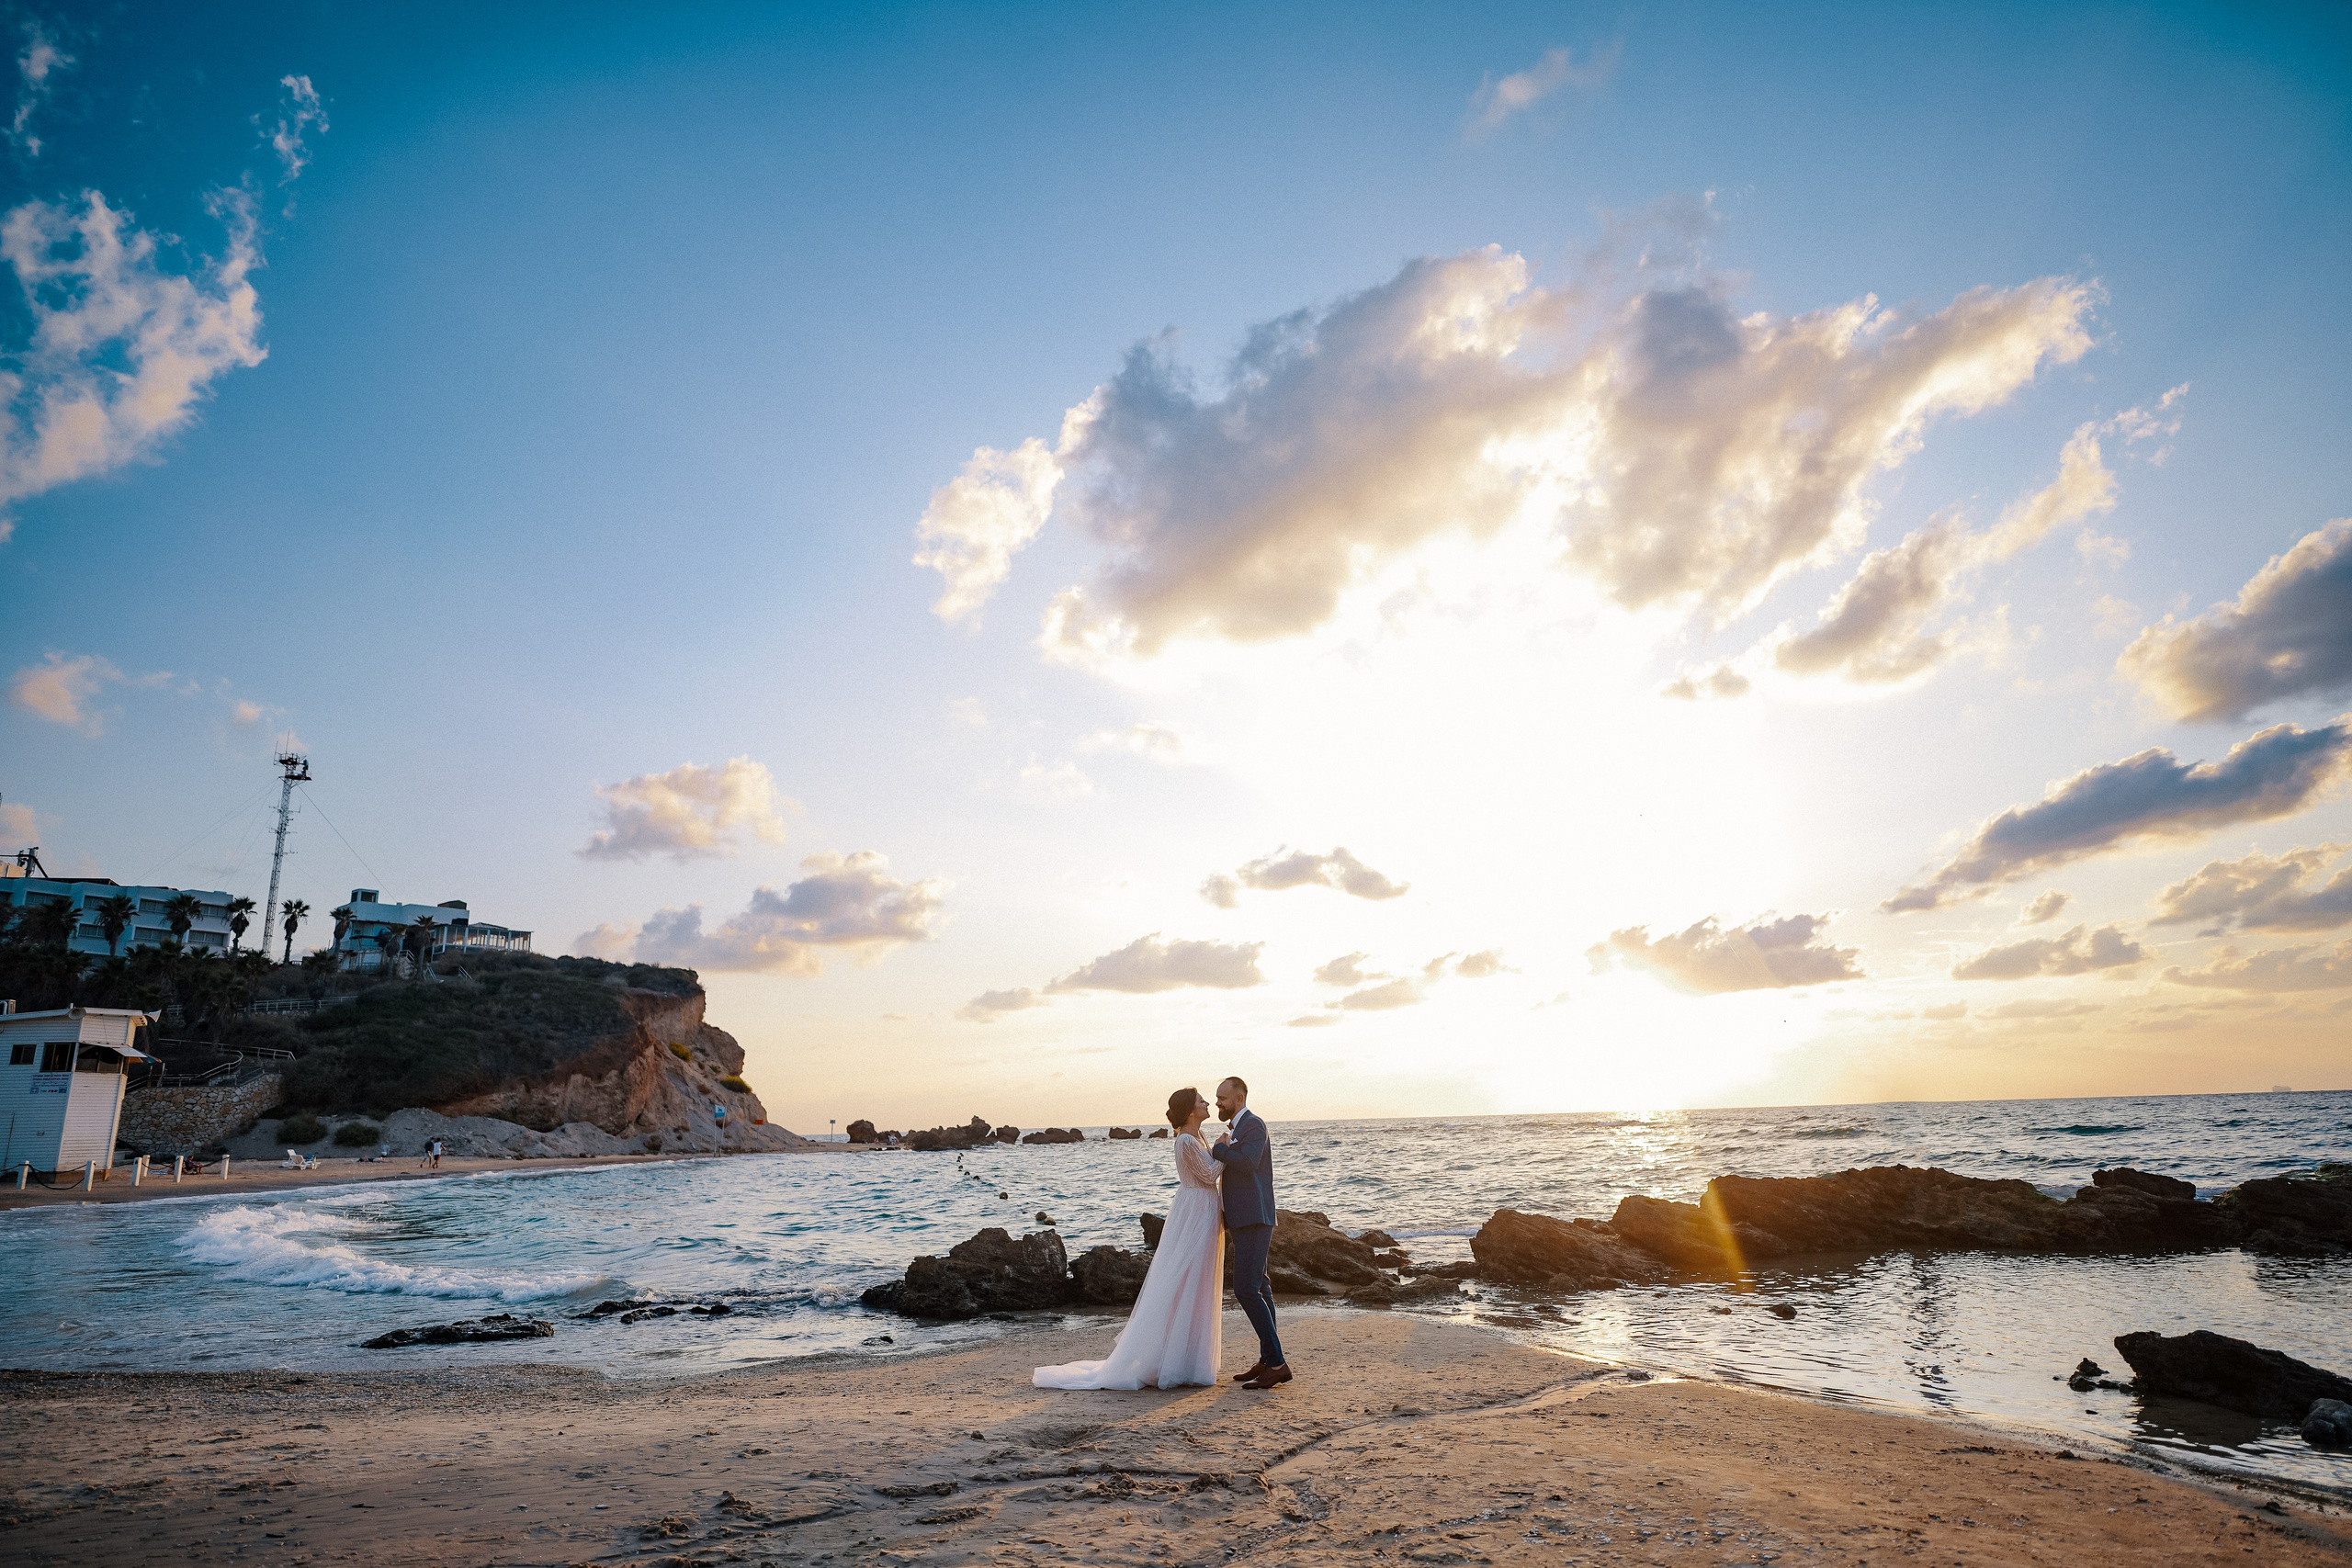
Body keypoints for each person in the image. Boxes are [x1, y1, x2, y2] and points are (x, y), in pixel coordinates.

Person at [1033, 1088, 1225, 1390]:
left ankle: (1190, 1358)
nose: (1206, 1103)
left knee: (1199, 1282)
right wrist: (1226, 1149)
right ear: (1190, 1110)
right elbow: (1209, 1174)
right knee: (1183, 1281)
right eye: (1201, 1100)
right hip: (1194, 1214)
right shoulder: (1187, 1140)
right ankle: (1171, 1359)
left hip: (1203, 1210)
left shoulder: (1199, 1136)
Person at [1212, 1076, 1289, 1390]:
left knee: (1245, 1289)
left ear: (1239, 1099)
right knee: (1262, 1288)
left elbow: (1248, 1162)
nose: (1218, 1102)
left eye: (1222, 1098)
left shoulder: (1254, 1125)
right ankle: (1268, 1360)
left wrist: (1219, 1150)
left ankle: (1279, 1363)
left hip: (1255, 1218)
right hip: (1246, 1219)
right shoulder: (1239, 1128)